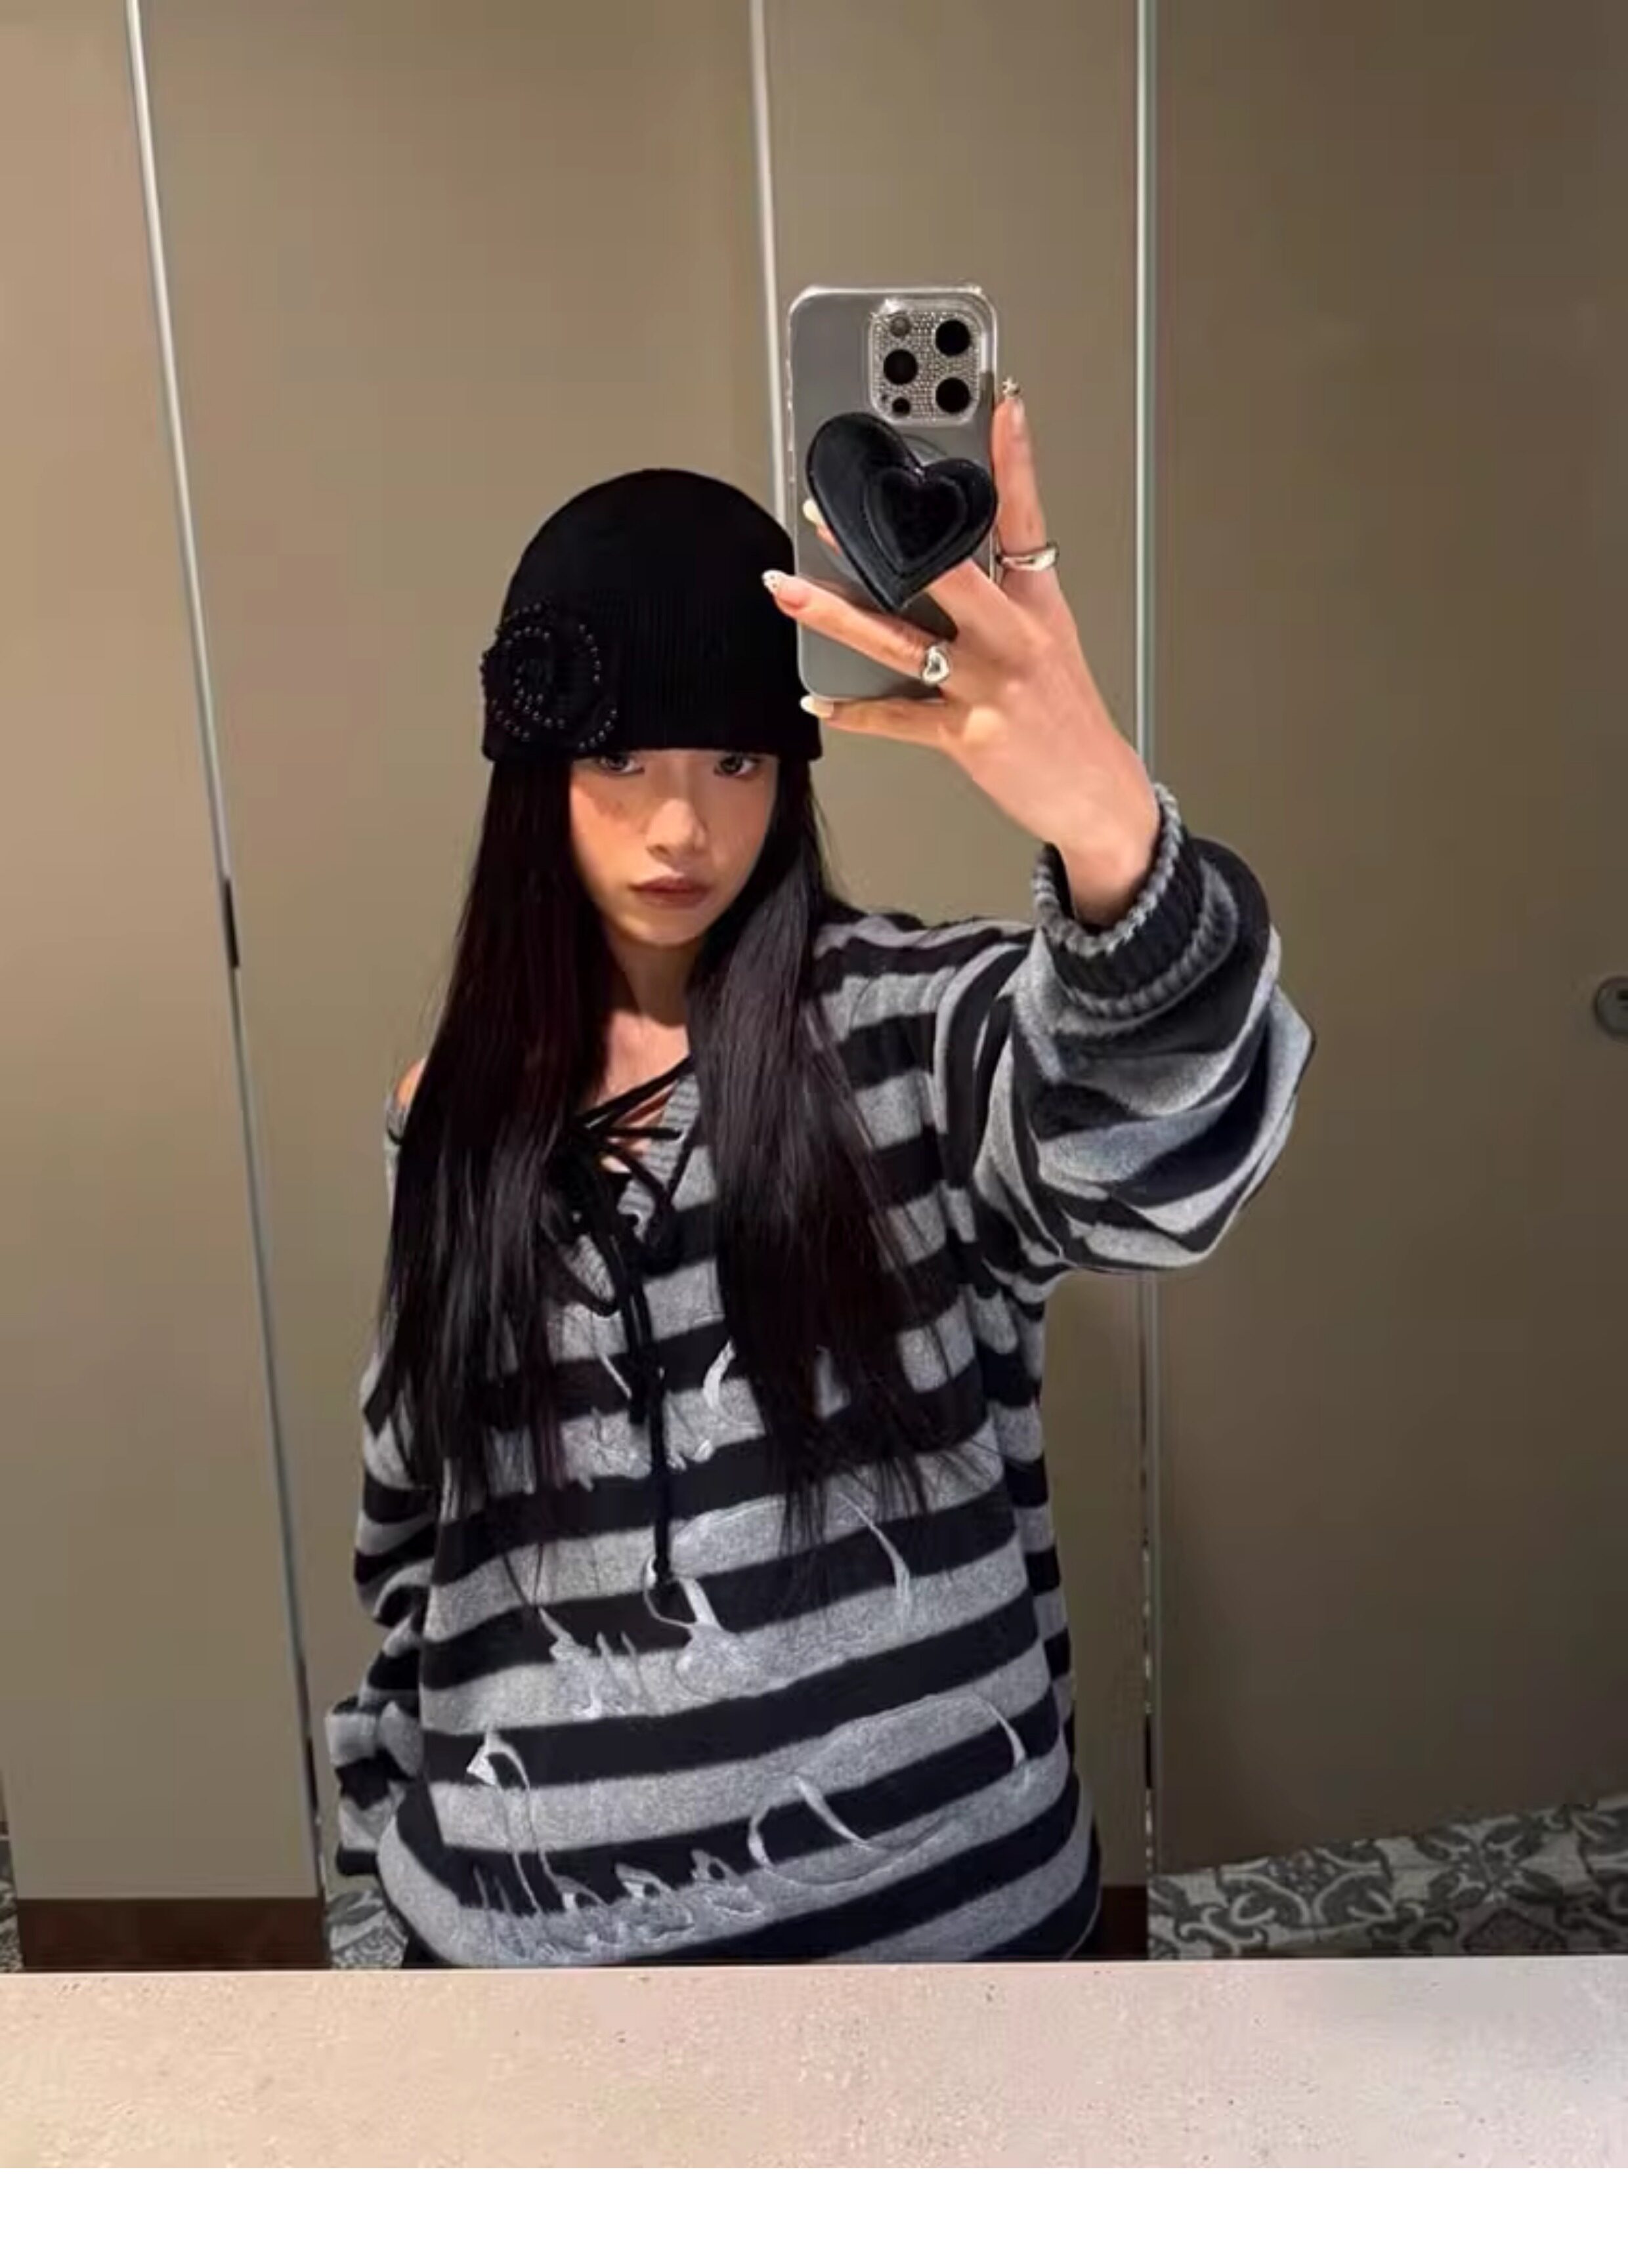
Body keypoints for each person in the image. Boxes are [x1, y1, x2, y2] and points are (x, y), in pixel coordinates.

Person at [324, 385, 1313, 1969]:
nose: (679, 824)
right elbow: (416, 1528)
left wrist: (1106, 827)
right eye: (619, 757)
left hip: (949, 1974)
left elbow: (1160, 1163)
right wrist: (388, 1873)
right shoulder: (450, 1111)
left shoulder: (908, 1032)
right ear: (531, 771)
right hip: (525, 2001)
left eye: (735, 759)